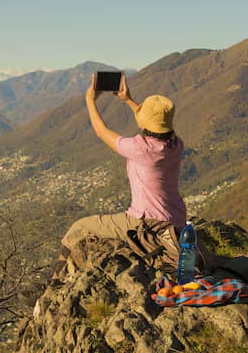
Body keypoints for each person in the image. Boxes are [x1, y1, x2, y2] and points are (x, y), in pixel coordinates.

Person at [51, 73, 188, 281]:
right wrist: (129, 101)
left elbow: (100, 131)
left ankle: (53, 282)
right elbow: (150, 126)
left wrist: (89, 100)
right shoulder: (175, 144)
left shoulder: (140, 149)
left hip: (145, 223)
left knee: (78, 227)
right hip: (176, 220)